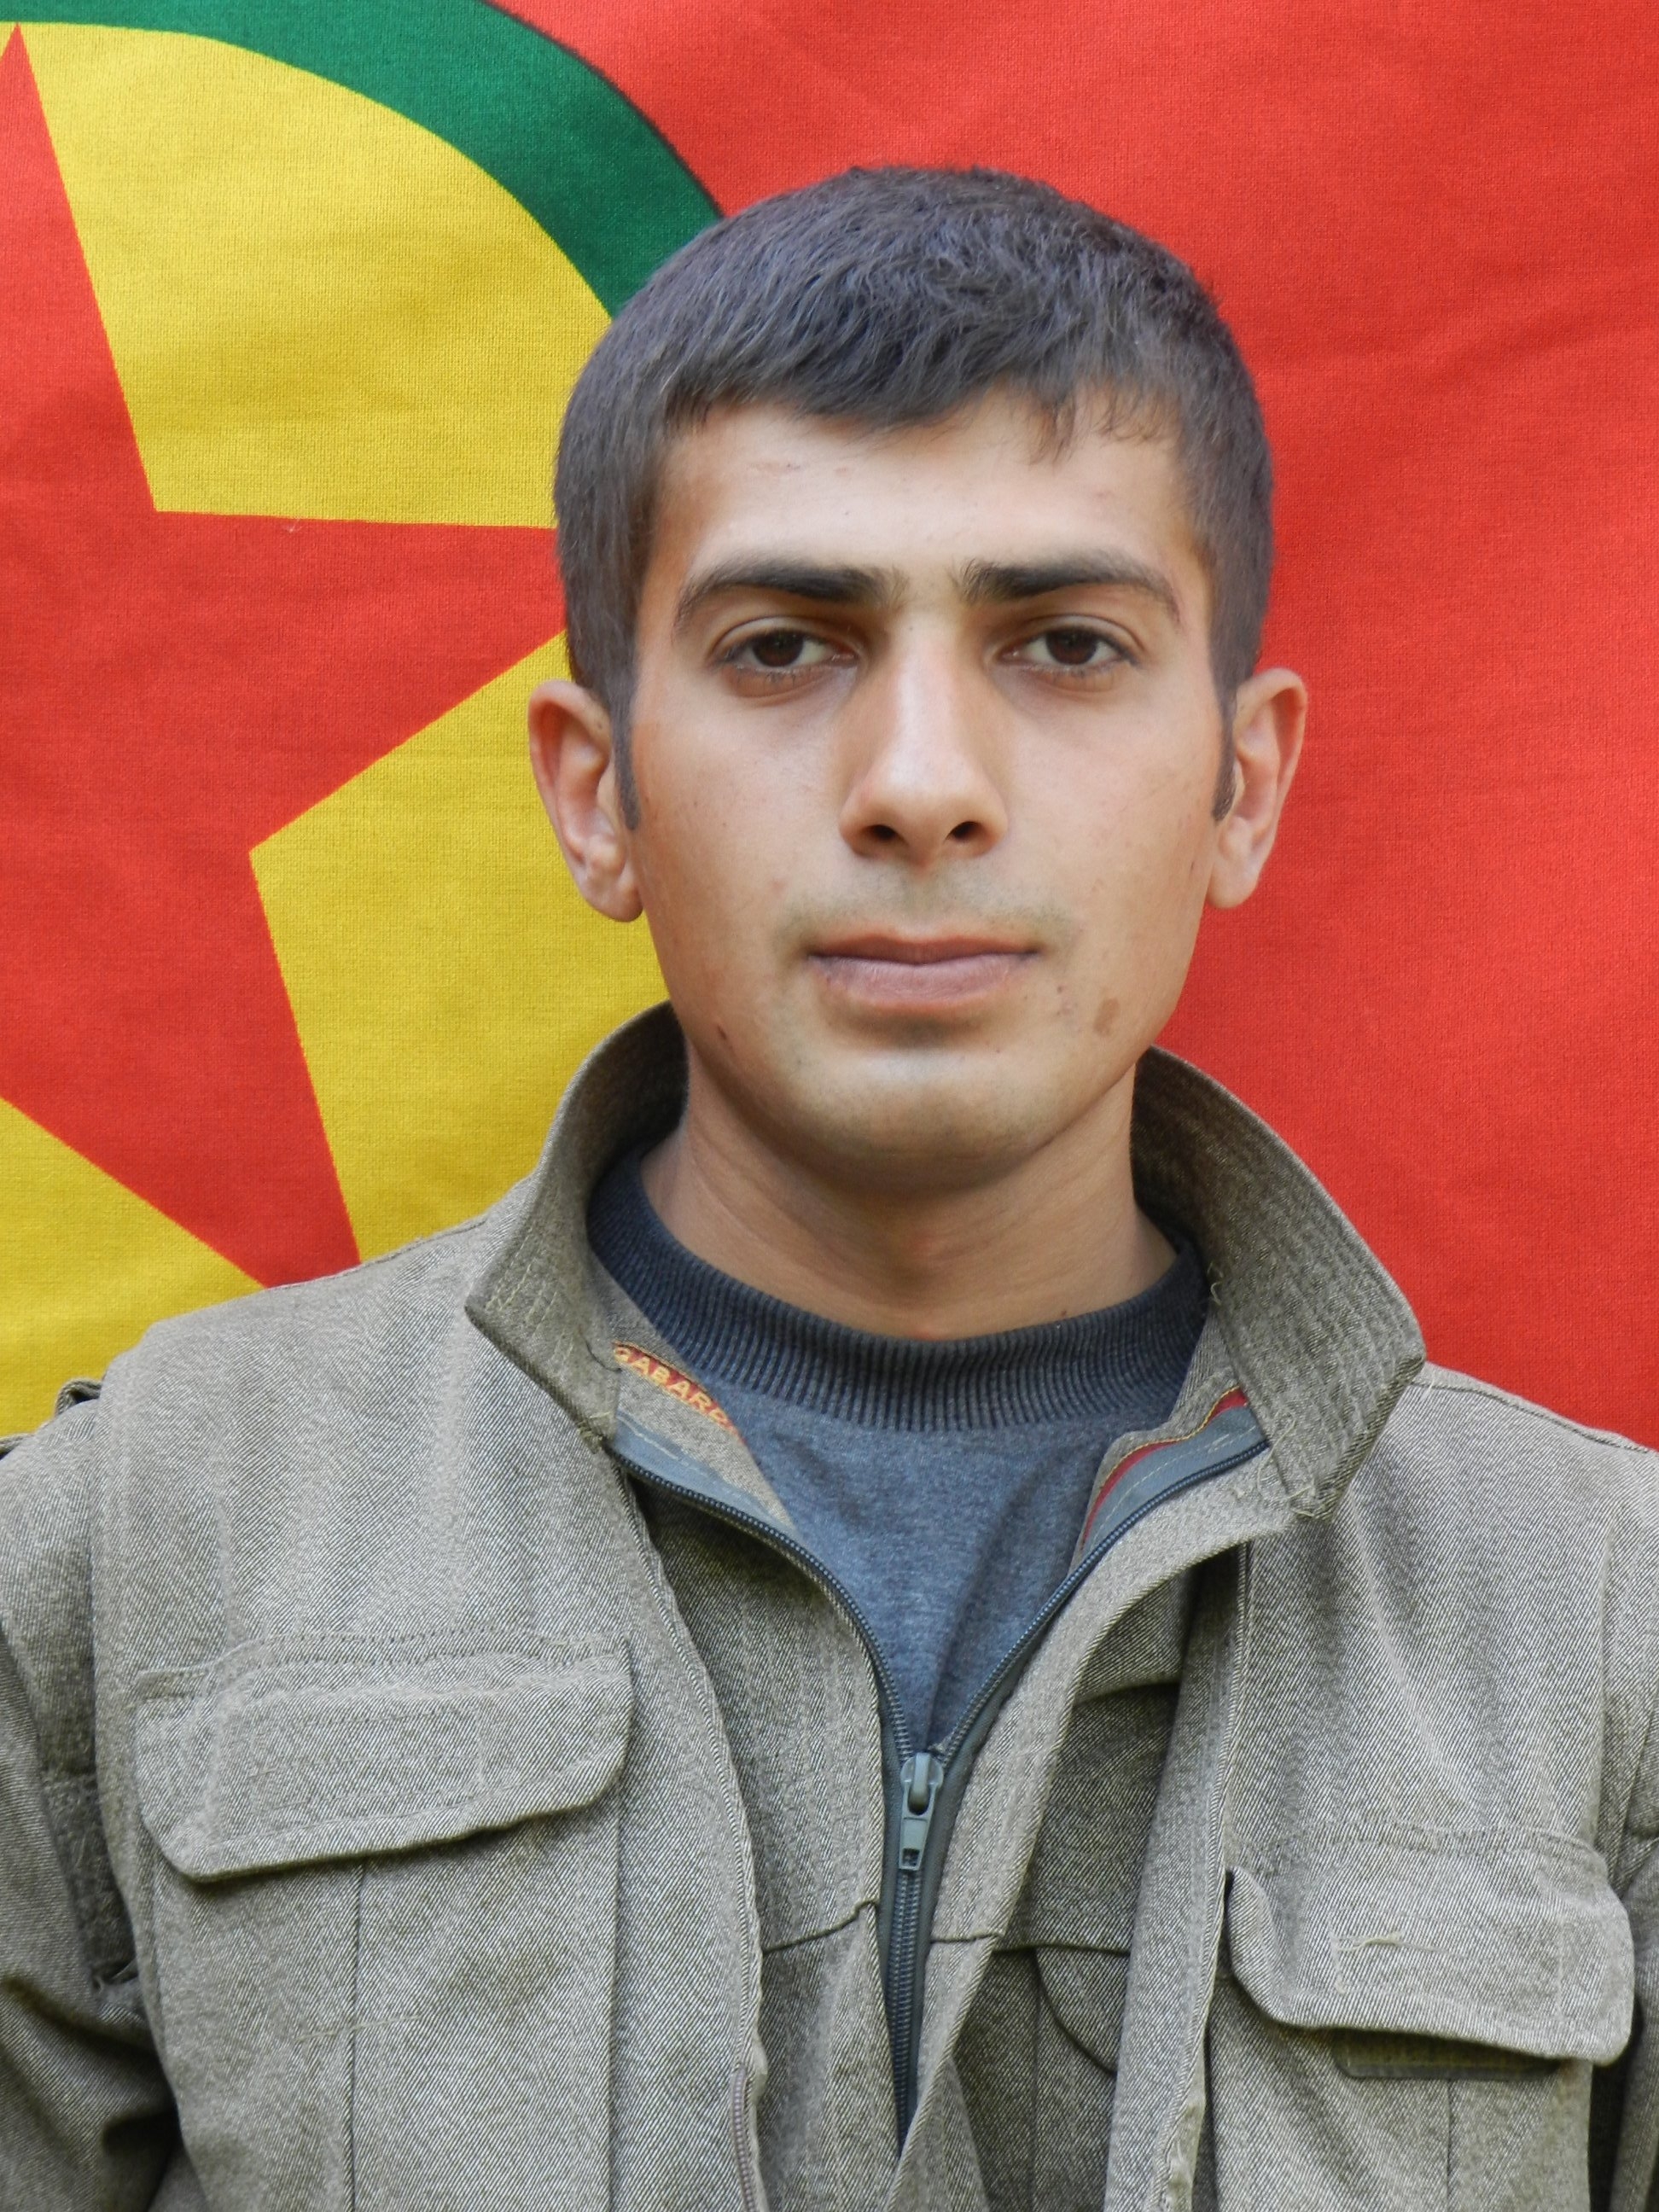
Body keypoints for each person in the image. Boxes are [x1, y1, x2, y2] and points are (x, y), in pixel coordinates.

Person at [1, 166, 1654, 2212]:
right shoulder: (133, 1556)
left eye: (1066, 644)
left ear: (1243, 786)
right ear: (597, 793)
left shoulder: (1599, 1632)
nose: (921, 782)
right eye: (786, 647)